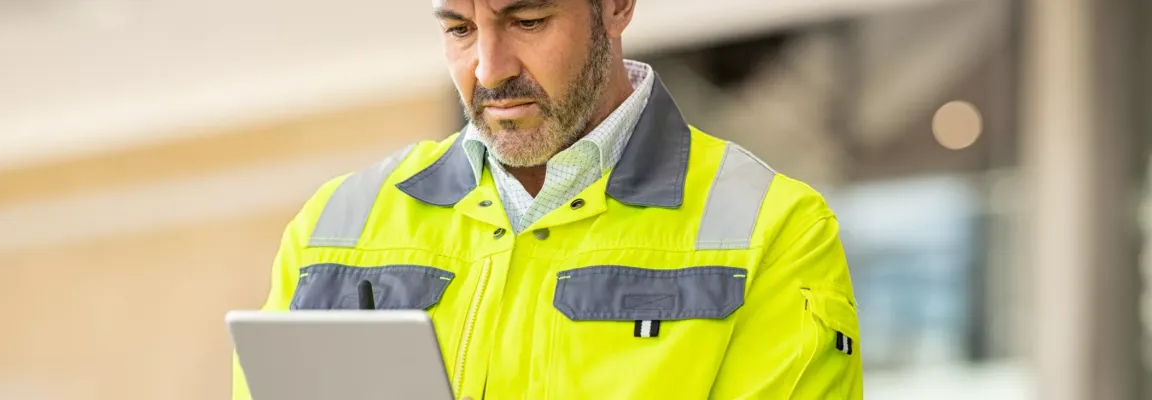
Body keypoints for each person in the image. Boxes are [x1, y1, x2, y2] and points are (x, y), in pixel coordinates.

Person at [232, 0, 863, 398]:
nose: (488, 69)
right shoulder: (335, 224)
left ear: (616, 7)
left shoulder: (774, 230)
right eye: (459, 28)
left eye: (527, 21)